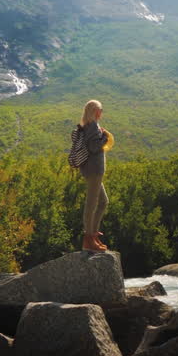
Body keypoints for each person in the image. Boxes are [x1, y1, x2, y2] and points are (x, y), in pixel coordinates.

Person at [77, 99, 110, 252]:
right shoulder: (92, 126)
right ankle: (88, 240)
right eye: (100, 110)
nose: (102, 112)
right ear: (96, 112)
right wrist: (104, 137)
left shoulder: (90, 125)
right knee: (91, 205)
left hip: (94, 171)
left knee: (103, 202)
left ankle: (93, 235)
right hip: (94, 171)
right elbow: (94, 147)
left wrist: (100, 135)